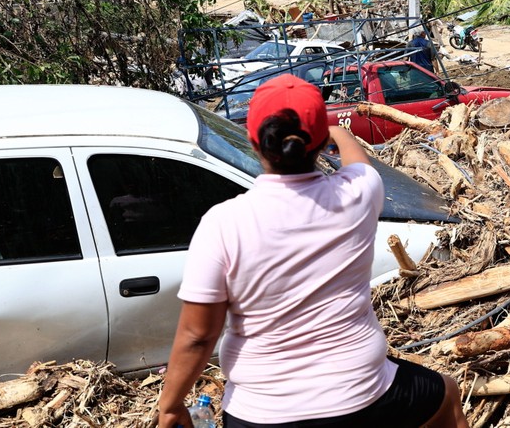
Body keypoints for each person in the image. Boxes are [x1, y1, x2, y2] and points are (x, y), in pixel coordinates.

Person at [156, 74, 467, 428]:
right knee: (447, 394)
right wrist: (340, 133)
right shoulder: (358, 195)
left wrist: (170, 404)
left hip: (259, 412)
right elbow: (358, 163)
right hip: (363, 398)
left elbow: (198, 336)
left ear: (252, 141)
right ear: (318, 143)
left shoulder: (222, 223)